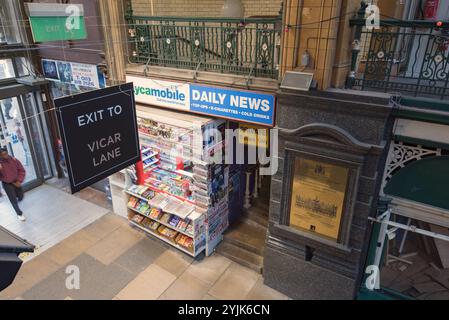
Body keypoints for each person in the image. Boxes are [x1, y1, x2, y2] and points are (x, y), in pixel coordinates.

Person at [0, 147, 26, 221]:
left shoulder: (14, 160)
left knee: (21, 196)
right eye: (2, 155)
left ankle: (17, 202)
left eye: (6, 154)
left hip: (16, 181)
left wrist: (19, 180)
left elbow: (22, 170)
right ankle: (19, 214)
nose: (5, 156)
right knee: (13, 200)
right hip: (7, 183)